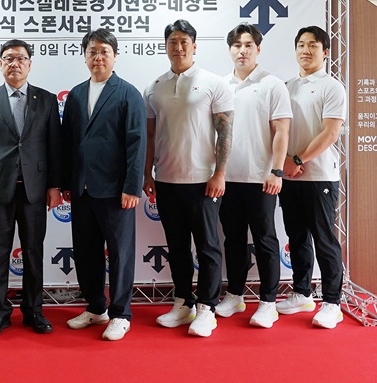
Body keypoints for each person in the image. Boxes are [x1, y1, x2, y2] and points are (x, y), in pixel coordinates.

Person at [143, 19, 233, 338]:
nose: (178, 47)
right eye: (172, 42)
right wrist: (147, 172)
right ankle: (184, 301)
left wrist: (219, 173)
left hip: (203, 181)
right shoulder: (154, 86)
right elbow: (150, 135)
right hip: (167, 180)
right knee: (178, 246)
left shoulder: (213, 83)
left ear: (194, 46)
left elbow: (225, 131)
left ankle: (207, 308)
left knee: (208, 247)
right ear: (165, 46)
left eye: (184, 41)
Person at [0, 40, 63, 337]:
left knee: (33, 252)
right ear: (0, 63)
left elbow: (54, 147)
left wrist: (54, 185)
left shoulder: (46, 100)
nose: (15, 64)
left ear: (30, 64)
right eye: (8, 58)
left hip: (35, 190)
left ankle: (34, 310)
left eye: (21, 58)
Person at [62, 28, 146, 341]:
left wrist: (132, 187)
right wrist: (67, 182)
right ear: (84, 56)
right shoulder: (76, 94)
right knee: (86, 252)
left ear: (115, 56)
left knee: (120, 253)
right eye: (92, 51)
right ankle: (96, 308)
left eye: (104, 52)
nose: (98, 57)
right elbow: (68, 142)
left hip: (116, 190)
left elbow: (137, 143)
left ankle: (121, 313)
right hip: (82, 189)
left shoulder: (127, 93)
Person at [215, 24, 291, 328]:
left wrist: (276, 170)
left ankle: (268, 302)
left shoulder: (272, 84)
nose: (242, 51)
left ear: (258, 49)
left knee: (265, 241)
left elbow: (281, 131)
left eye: (248, 45)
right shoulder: (221, 85)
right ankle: (235, 294)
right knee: (232, 240)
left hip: (261, 179)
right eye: (236, 45)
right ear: (229, 50)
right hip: (227, 179)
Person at [276, 26, 346, 329]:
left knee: (324, 239)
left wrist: (298, 159)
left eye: (313, 45)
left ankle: (332, 302)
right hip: (290, 177)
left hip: (319, 177)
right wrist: (284, 164)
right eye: (301, 45)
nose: (306, 50)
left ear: (325, 52)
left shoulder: (332, 87)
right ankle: (302, 293)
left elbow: (330, 133)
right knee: (297, 238)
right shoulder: (286, 86)